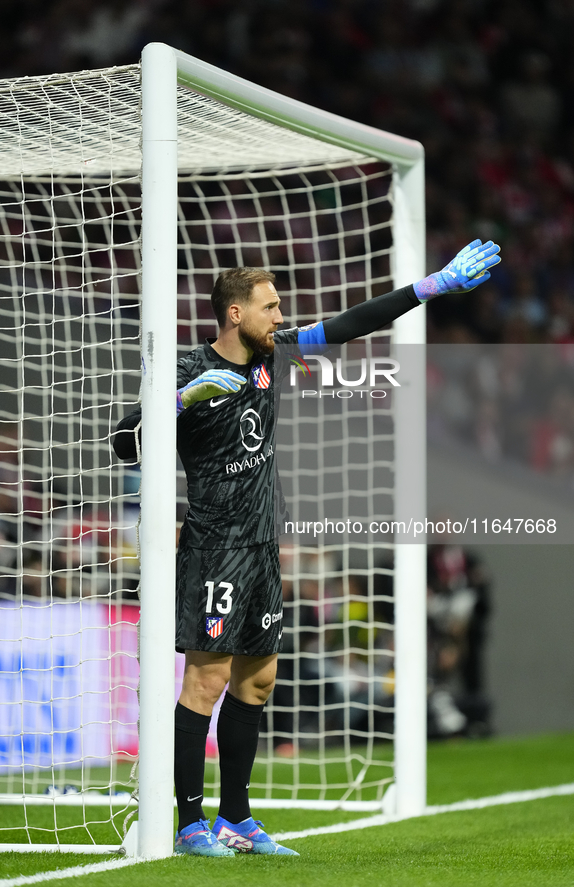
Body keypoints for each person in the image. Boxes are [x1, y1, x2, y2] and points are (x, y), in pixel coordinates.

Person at [112, 239, 501, 857]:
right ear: (234, 312)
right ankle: (187, 824)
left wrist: (430, 287)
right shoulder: (187, 370)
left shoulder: (277, 356)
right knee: (205, 682)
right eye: (269, 307)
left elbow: (350, 324)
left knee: (259, 681)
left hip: (265, 546)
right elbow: (123, 444)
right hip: (215, 547)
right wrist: (180, 402)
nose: (279, 317)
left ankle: (236, 819)